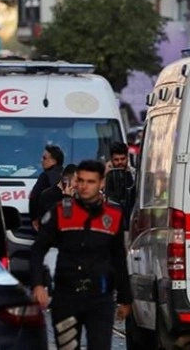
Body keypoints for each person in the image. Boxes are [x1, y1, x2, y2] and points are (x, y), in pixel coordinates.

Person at [30, 160, 132, 350]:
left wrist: (125, 299)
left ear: (101, 183)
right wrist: (38, 285)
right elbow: (38, 249)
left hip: (100, 298)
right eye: (81, 181)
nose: (85, 186)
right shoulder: (61, 212)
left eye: (91, 182)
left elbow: (119, 258)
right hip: (67, 297)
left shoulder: (114, 216)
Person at [29, 145, 64, 230]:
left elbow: (34, 197)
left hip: (47, 222)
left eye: (44, 158)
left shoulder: (45, 176)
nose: (41, 160)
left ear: (54, 161)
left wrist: (34, 219)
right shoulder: (67, 176)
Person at [104, 142, 136, 231]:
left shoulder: (135, 174)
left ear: (127, 158)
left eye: (123, 159)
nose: (120, 162)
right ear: (111, 160)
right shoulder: (107, 174)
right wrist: (106, 175)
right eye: (116, 160)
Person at [36, 164, 77, 228]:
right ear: (65, 179)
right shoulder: (48, 195)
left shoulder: (77, 195)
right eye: (76, 181)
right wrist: (67, 198)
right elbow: (65, 218)